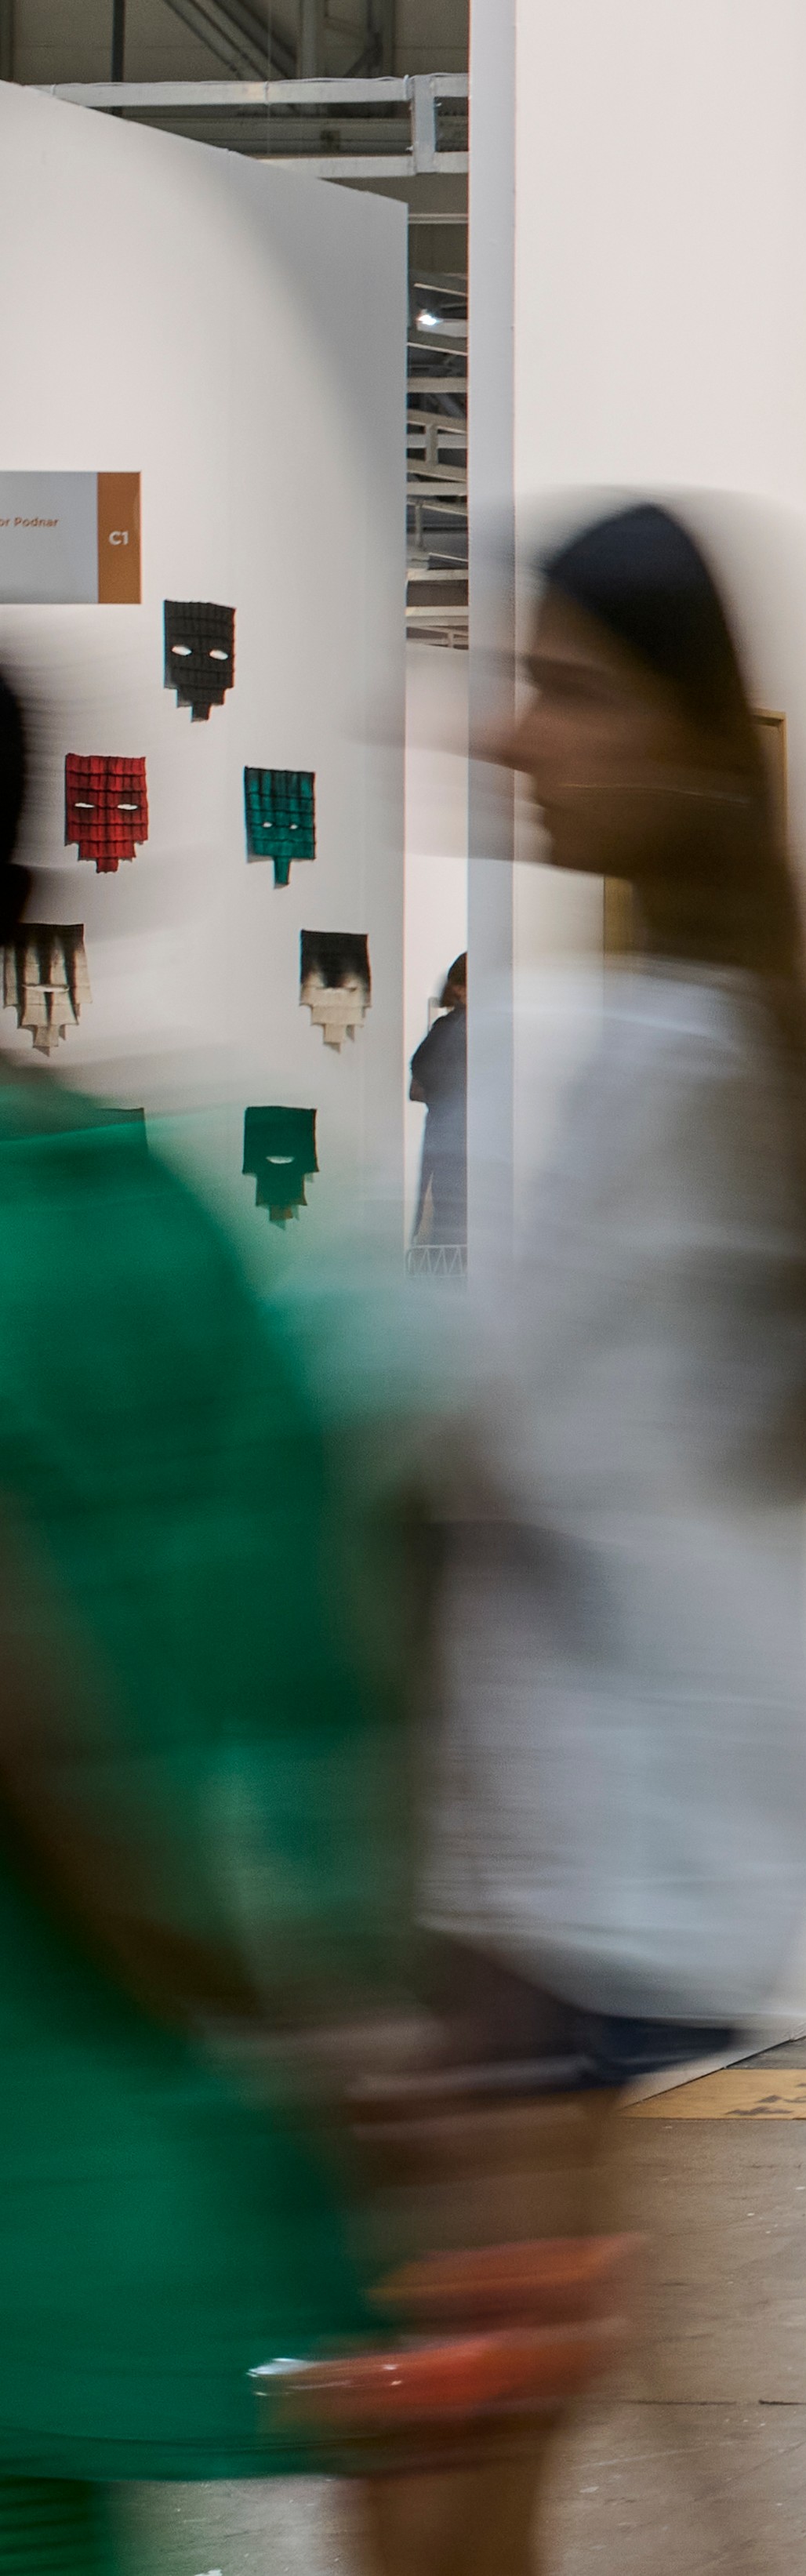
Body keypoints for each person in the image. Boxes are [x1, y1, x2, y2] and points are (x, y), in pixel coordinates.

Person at [399, 499, 806, 2571]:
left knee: (484, 2450)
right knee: (633, 2399)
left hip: (578, 1856)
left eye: (566, 688)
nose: (511, 733)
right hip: (621, 1843)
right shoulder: (717, 1036)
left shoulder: (679, 1054)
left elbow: (493, 1438)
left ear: (684, 735)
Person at [0, 661, 404, 2576]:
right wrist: (299, 1999)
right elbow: (326, 1654)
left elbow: (43, 1716)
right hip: (120, 2160)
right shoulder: (155, 1220)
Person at [408, 952, 469, 1263]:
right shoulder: (451, 1030)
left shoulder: (450, 1029)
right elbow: (417, 1088)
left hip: (450, 1140)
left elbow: (418, 1088)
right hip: (454, 1144)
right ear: (460, 988)